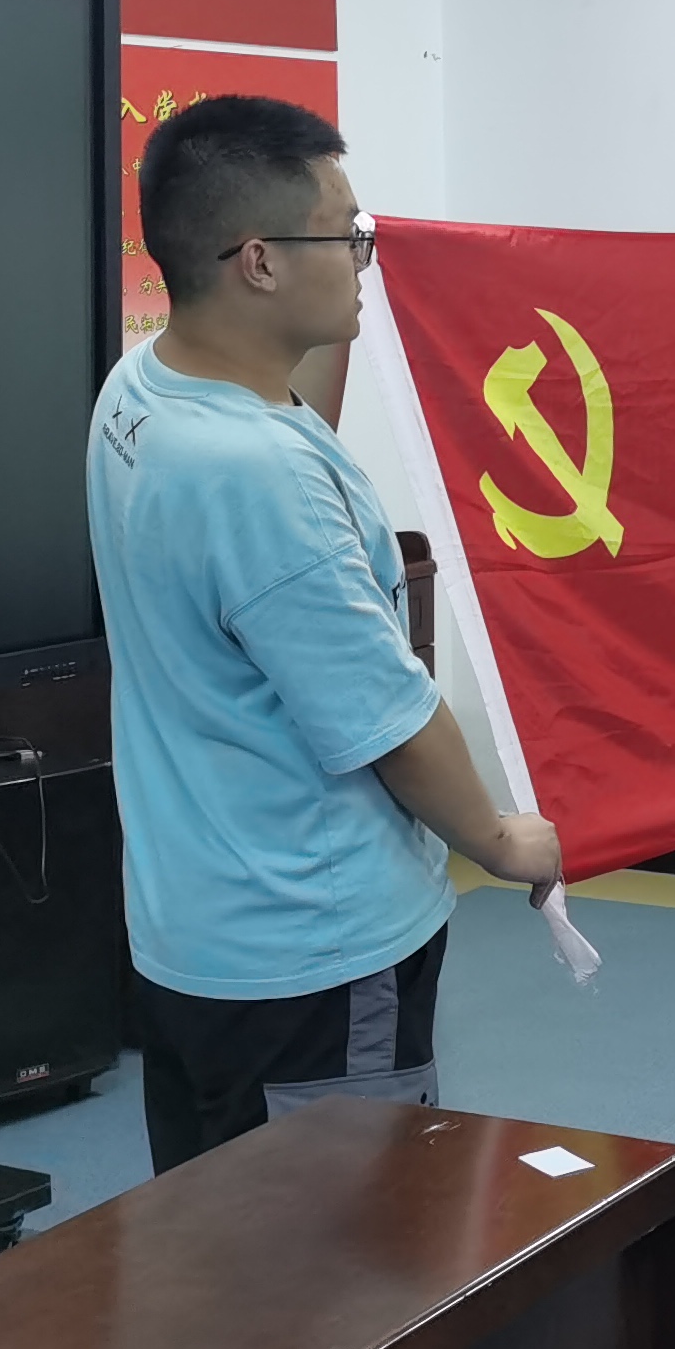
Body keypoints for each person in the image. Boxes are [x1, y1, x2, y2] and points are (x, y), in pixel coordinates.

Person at [90, 95, 560, 1174]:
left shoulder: (145, 390)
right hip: (314, 941)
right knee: (346, 1246)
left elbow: (296, 401)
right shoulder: (256, 478)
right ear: (258, 261)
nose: (362, 258)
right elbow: (388, 721)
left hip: (196, 926)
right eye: (346, 236)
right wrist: (500, 841)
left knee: (210, 1226)